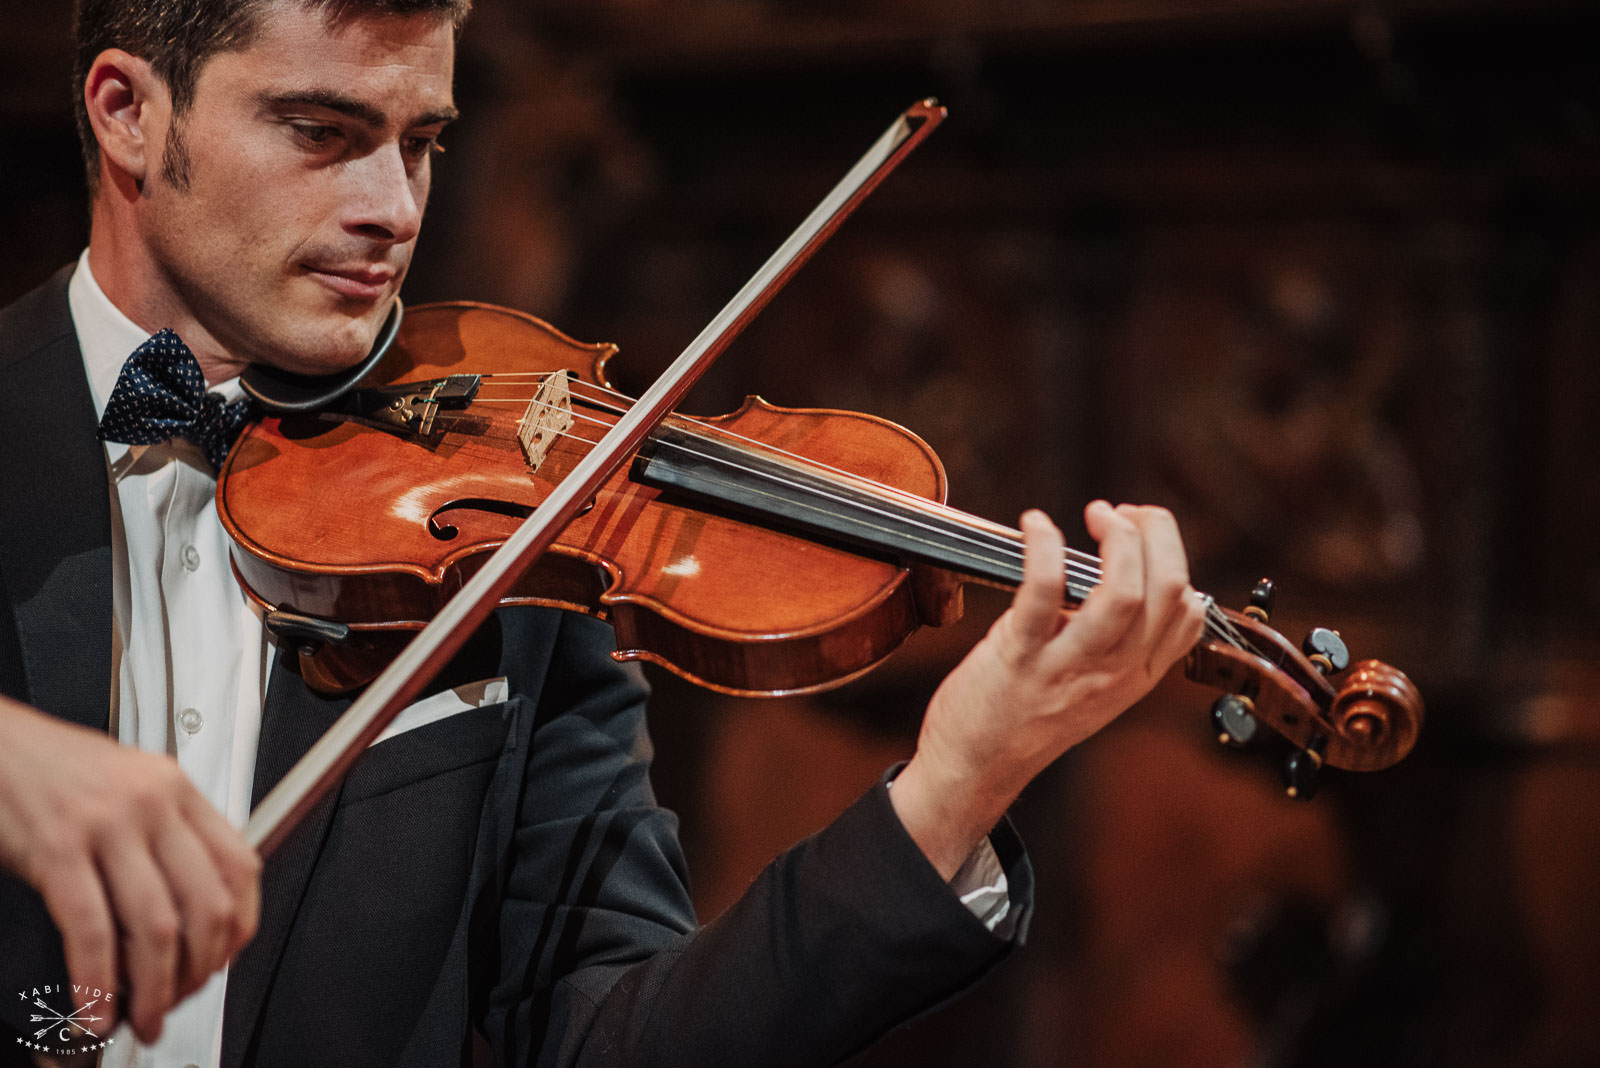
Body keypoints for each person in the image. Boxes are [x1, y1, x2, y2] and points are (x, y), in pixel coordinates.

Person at [0, 0, 1207, 1064]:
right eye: (320, 133)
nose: (391, 210)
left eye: (420, 144)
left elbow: (615, 1038)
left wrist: (952, 786)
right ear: (127, 115)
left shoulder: (518, 546)